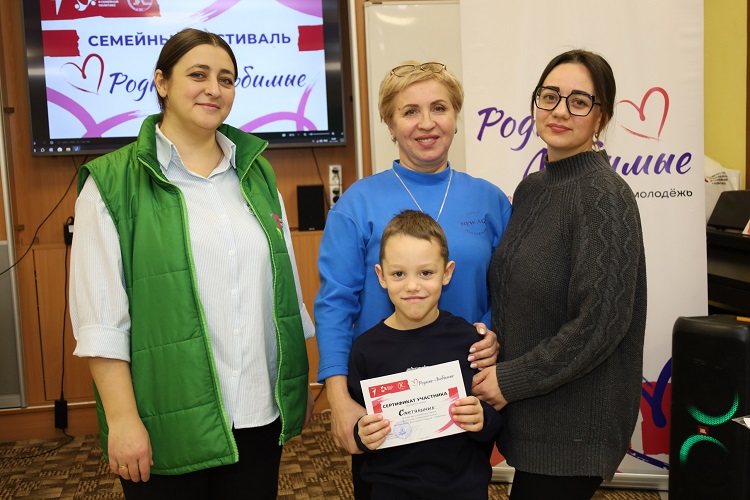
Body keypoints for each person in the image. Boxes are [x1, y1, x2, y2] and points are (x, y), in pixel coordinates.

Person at [69, 28, 314, 499]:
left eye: (226, 79)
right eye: (197, 75)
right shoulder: (110, 183)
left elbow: (285, 293)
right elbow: (101, 322)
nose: (213, 89)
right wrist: (122, 420)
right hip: (168, 422)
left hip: (258, 414)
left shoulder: (257, 172)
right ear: (162, 82)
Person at [314, 60, 512, 497]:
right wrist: (339, 398)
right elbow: (334, 304)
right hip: (383, 406)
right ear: (389, 123)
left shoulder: (490, 200)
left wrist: (494, 332)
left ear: (455, 116)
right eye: (409, 111)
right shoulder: (357, 203)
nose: (426, 123)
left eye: (439, 108)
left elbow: (512, 292)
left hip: (463, 400)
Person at [472, 49, 647, 499]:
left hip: (574, 427)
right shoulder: (533, 188)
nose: (560, 111)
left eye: (579, 101)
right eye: (549, 96)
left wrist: (510, 380)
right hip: (533, 415)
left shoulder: (606, 196)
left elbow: (599, 325)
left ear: (601, 117)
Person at [348, 210, 502, 500]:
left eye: (426, 273)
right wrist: (362, 434)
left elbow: (494, 418)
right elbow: (361, 425)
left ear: (447, 273)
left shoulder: (469, 342)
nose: (412, 286)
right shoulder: (366, 350)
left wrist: (482, 417)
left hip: (461, 488)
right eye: (398, 274)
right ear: (381, 276)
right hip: (392, 490)